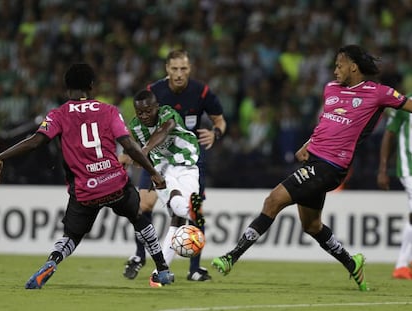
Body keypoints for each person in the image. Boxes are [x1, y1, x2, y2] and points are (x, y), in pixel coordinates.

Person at [211, 44, 412, 291]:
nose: (335, 70)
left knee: (273, 201)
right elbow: (328, 122)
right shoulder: (331, 89)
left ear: (354, 67)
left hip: (332, 165)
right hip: (314, 160)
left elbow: (407, 105)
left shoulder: (378, 93)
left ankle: (232, 256)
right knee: (311, 226)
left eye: (339, 65)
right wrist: (309, 143)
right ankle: (352, 263)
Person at [0, 63, 174, 289]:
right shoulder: (109, 110)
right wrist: (153, 173)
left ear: (67, 87)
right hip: (115, 184)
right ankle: (163, 268)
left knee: (72, 235)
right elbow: (129, 146)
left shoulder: (58, 115)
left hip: (85, 191)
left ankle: (53, 261)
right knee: (139, 217)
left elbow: (35, 142)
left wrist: (1, 156)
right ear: (91, 86)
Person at [123, 49, 226, 281]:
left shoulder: (201, 91)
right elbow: (138, 131)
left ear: (189, 69)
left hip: (188, 155)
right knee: (144, 206)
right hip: (158, 158)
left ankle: (194, 269)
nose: (179, 73)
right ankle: (140, 255)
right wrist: (133, 154)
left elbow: (220, 120)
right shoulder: (153, 92)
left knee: (193, 211)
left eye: (184, 69)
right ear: (167, 70)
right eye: (175, 69)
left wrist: (215, 133)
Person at [121, 89, 205, 287]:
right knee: (176, 204)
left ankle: (160, 272)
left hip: (187, 163)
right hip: (162, 168)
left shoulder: (167, 113)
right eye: (139, 112)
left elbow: (164, 130)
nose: (144, 116)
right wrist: (138, 160)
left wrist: (144, 151)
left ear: (156, 108)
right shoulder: (135, 126)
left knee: (178, 220)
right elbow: (136, 154)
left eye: (148, 111)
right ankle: (189, 209)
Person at [377, 106, 412, 279]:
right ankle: (401, 265)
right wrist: (383, 169)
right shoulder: (405, 104)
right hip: (409, 168)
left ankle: (404, 264)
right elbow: (389, 135)